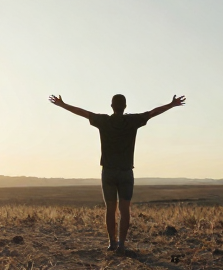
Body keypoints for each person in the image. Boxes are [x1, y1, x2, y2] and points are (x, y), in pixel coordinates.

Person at [49, 93, 186, 252]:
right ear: (125, 106)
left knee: (110, 209)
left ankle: (112, 243)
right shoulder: (131, 121)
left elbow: (83, 112)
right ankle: (121, 244)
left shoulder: (104, 121)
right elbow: (152, 113)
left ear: (112, 106)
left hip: (108, 172)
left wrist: (63, 105)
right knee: (125, 209)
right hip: (126, 172)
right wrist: (171, 104)